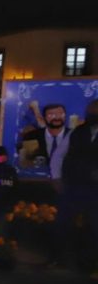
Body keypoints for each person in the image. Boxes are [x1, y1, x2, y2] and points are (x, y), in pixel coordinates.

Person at [52, 99, 98, 273]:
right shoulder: (77, 132)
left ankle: (88, 263)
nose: (92, 114)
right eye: (90, 111)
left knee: (93, 226)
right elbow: (59, 155)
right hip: (72, 186)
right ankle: (58, 258)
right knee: (63, 223)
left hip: (94, 189)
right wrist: (56, 177)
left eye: (95, 112)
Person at [18, 103, 71, 187]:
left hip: (68, 184)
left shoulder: (75, 136)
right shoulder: (31, 136)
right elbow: (27, 163)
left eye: (61, 114)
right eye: (51, 115)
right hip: (37, 184)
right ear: (44, 117)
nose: (57, 117)